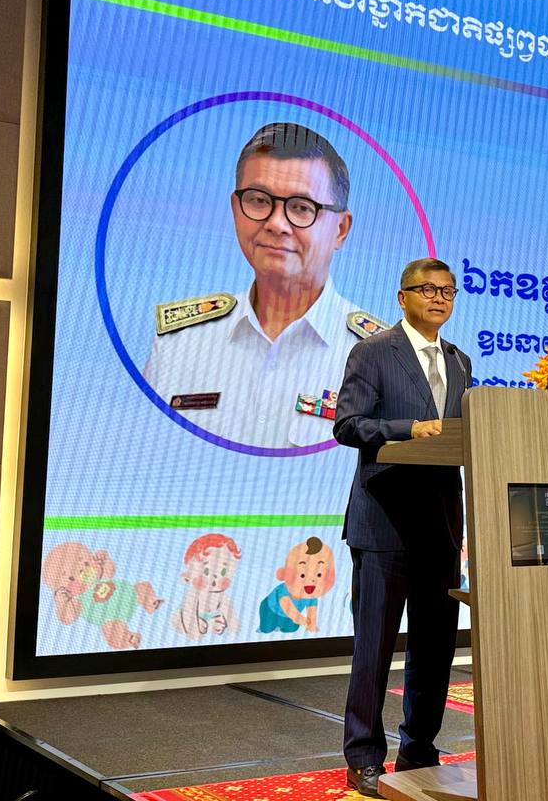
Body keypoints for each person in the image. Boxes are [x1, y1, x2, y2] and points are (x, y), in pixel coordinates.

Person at [141, 122, 387, 448]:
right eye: (258, 200)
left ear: (340, 229)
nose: (275, 223)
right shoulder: (180, 342)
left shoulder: (384, 360)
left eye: (301, 207)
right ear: (235, 210)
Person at [334, 258, 472, 799]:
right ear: (402, 296)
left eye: (448, 291)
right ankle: (364, 756)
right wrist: (408, 429)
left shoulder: (459, 361)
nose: (438, 298)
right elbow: (349, 424)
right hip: (384, 522)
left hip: (441, 526)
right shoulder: (373, 351)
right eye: (427, 289)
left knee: (435, 650)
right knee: (374, 650)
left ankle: (419, 749)